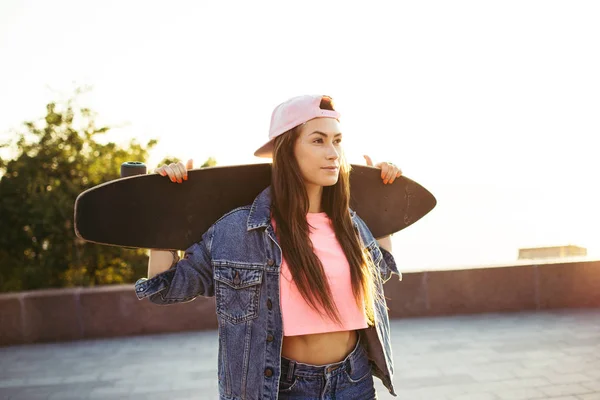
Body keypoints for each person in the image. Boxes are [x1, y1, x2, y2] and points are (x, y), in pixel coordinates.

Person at [134, 94, 403, 399]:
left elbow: (380, 271)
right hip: (280, 387)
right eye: (318, 141)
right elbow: (165, 290)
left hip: (354, 382)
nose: (333, 153)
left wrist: (385, 200)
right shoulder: (237, 230)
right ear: (286, 150)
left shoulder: (350, 224)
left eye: (337, 141)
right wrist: (166, 210)